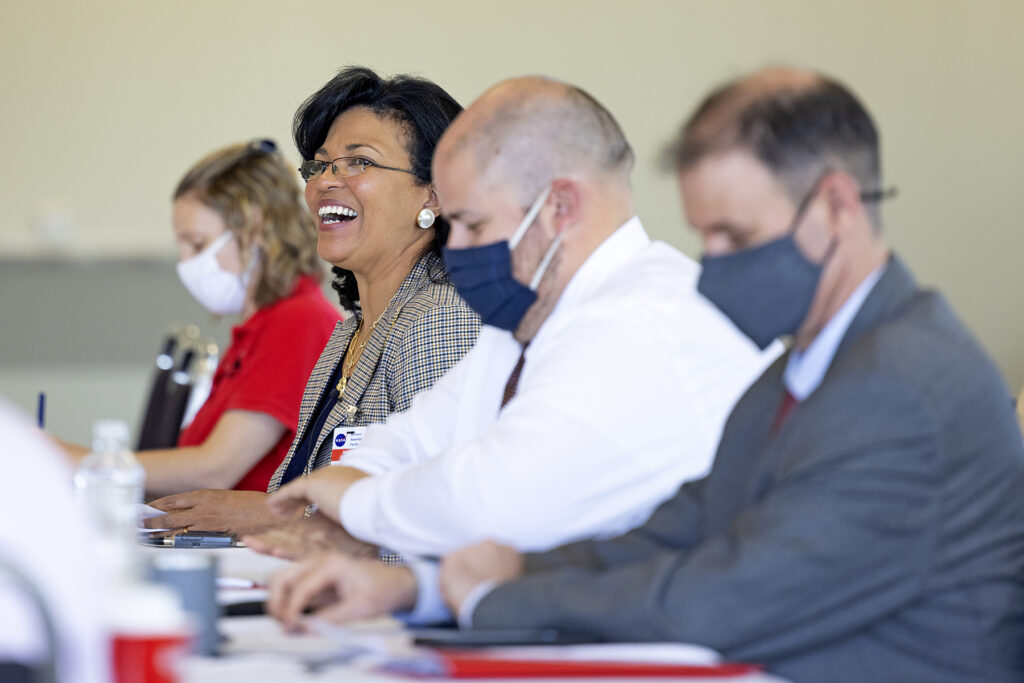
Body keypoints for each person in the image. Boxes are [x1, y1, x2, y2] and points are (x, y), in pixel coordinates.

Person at [429, 68, 1024, 682]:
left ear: (836, 208)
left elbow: (722, 600)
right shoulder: (799, 370)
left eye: (735, 235)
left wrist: (495, 600)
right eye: (704, 236)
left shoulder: (900, 386)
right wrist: (495, 572)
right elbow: (682, 527)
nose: (711, 265)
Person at [262, 77, 776, 622]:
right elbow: (414, 436)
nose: (455, 247)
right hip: (567, 618)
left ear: (560, 206)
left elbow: (494, 504)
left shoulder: (642, 319)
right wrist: (397, 565)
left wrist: (352, 506)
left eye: (473, 224)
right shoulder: (524, 319)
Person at [145, 67, 480, 537]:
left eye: (359, 161)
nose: (325, 181)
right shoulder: (349, 335)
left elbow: (442, 518)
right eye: (320, 166)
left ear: (435, 194)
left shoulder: (439, 319)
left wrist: (268, 515)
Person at [59, 140, 342, 497]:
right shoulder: (259, 329)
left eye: (196, 244)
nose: (186, 263)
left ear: (255, 229)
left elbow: (213, 469)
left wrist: (71, 459)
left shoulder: (299, 321)